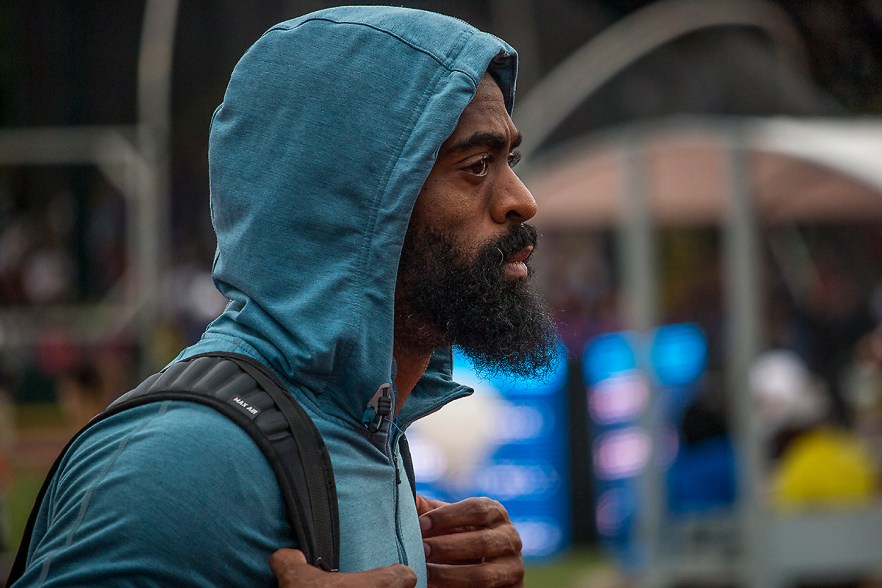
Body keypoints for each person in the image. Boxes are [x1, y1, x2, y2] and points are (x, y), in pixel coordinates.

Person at [11, 6, 558, 587]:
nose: (522, 200)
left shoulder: (366, 428)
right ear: (355, 207)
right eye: (476, 166)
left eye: (510, 160)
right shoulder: (178, 466)